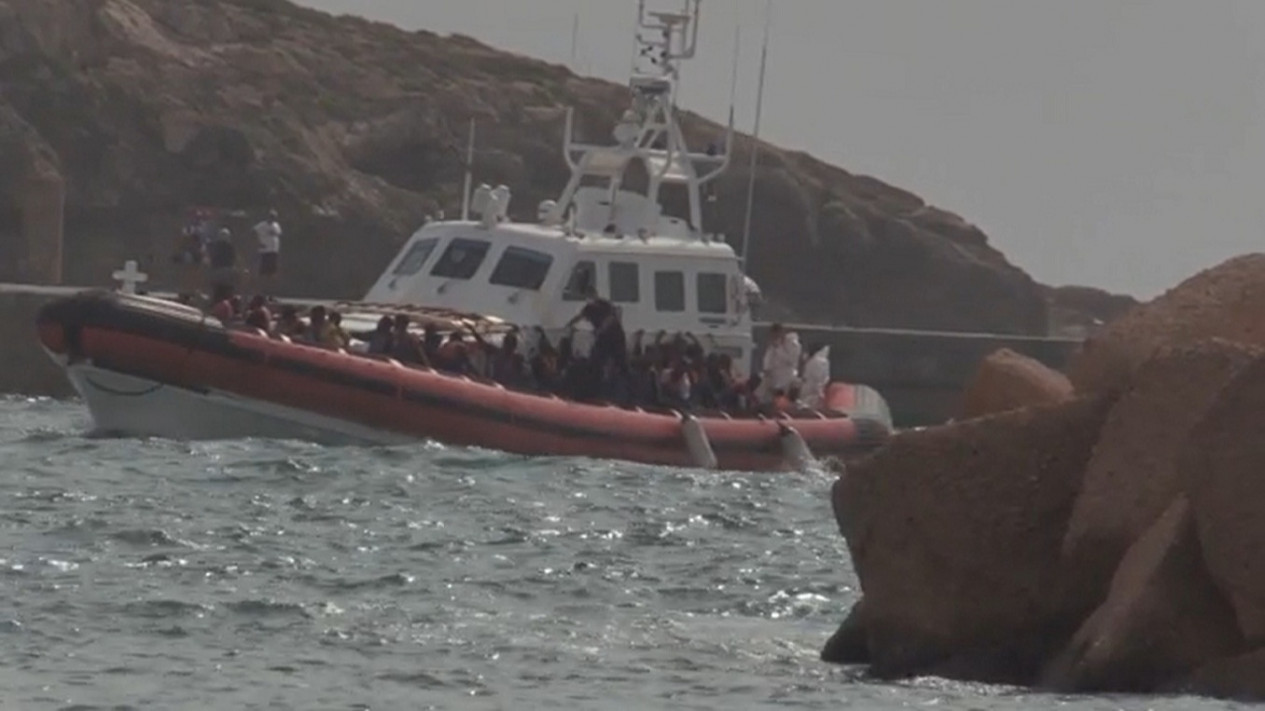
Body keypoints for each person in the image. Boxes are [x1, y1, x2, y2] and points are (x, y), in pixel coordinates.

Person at [565, 285, 627, 374]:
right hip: (603, 336)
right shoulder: (588, 308)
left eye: (591, 295)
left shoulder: (605, 304)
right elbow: (579, 316)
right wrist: (569, 324)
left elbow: (613, 317)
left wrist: (602, 329)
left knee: (619, 358)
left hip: (614, 334)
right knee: (598, 357)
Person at [758, 323, 801, 404]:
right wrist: (766, 369)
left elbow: (791, 359)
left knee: (785, 400)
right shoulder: (774, 345)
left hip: (787, 377)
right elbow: (768, 358)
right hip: (774, 378)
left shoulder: (792, 344)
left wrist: (778, 349)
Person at [253, 209, 282, 287]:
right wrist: (258, 243)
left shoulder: (276, 225)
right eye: (271, 217)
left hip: (274, 251)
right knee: (263, 273)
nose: (272, 219)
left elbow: (278, 234)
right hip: (265, 251)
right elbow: (253, 232)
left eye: (274, 217)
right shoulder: (262, 225)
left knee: (272, 273)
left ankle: (270, 292)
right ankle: (260, 291)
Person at [206, 227, 238, 295]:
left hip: (219, 271)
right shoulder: (230, 247)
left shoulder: (214, 246)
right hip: (223, 272)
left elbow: (209, 259)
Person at [799, 343, 831, 409]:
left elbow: (808, 376)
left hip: (809, 387)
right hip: (815, 388)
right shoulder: (824, 362)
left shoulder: (814, 361)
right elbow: (825, 378)